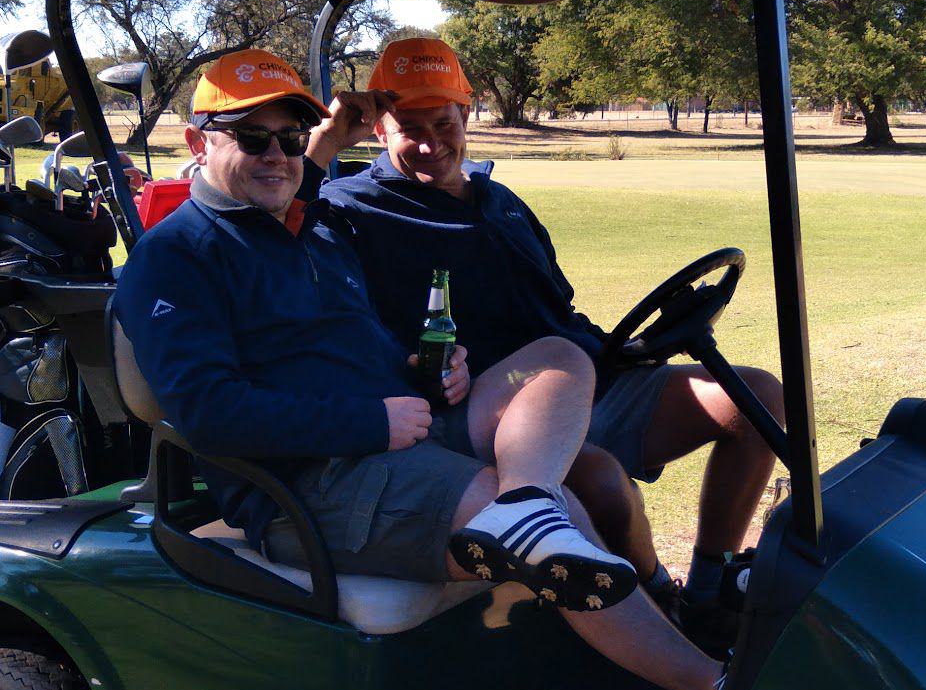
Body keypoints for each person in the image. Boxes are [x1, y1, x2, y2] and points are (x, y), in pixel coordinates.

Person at [113, 49, 720, 690]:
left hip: (399, 432)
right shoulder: (176, 256)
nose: (278, 155)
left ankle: (524, 507)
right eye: (253, 137)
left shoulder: (302, 232)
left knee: (555, 360)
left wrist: (427, 373)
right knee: (567, 512)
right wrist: (372, 421)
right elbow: (207, 412)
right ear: (198, 144)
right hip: (311, 480)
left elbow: (357, 342)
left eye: (290, 138)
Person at [319, 37, 783, 650]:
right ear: (378, 126)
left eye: (444, 122)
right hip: (493, 411)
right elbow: (278, 233)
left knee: (754, 398)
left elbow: (556, 307)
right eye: (409, 128)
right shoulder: (348, 208)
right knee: (602, 481)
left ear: (468, 113)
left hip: (585, 377)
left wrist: (625, 349)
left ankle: (710, 585)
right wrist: (321, 146)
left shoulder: (499, 200)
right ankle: (661, 603)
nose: (431, 144)